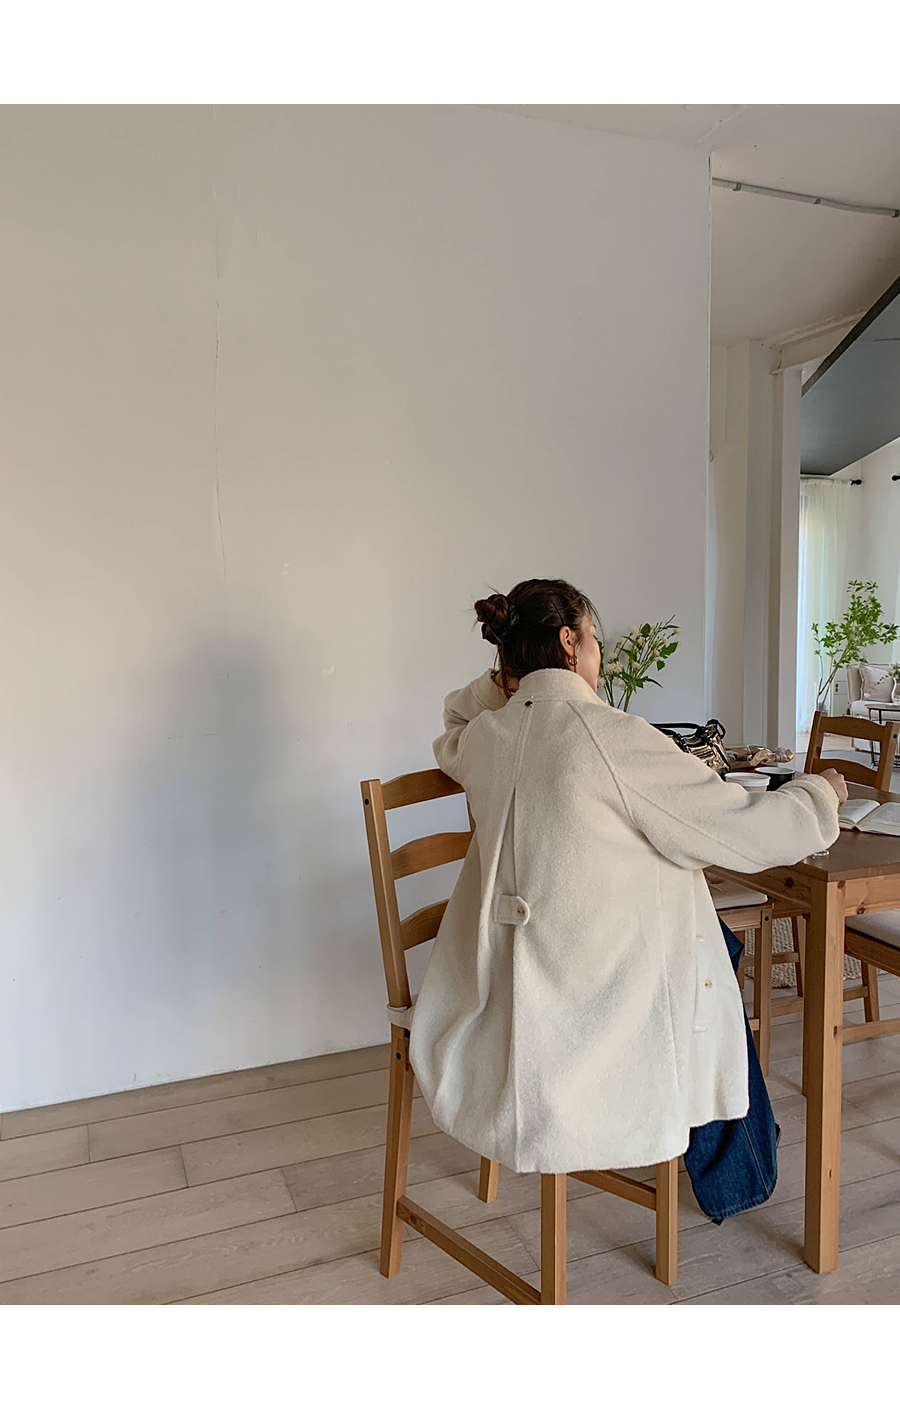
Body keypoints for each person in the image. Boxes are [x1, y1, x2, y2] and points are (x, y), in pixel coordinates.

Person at [409, 578, 847, 1221]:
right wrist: (820, 795)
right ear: (570, 642)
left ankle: (741, 1164)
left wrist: (508, 676)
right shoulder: (610, 737)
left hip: (505, 980)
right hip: (591, 1002)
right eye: (595, 640)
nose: (601, 655)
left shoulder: (488, 736)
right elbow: (747, 834)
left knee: (718, 945)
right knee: (710, 962)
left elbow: (454, 715)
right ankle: (741, 1180)